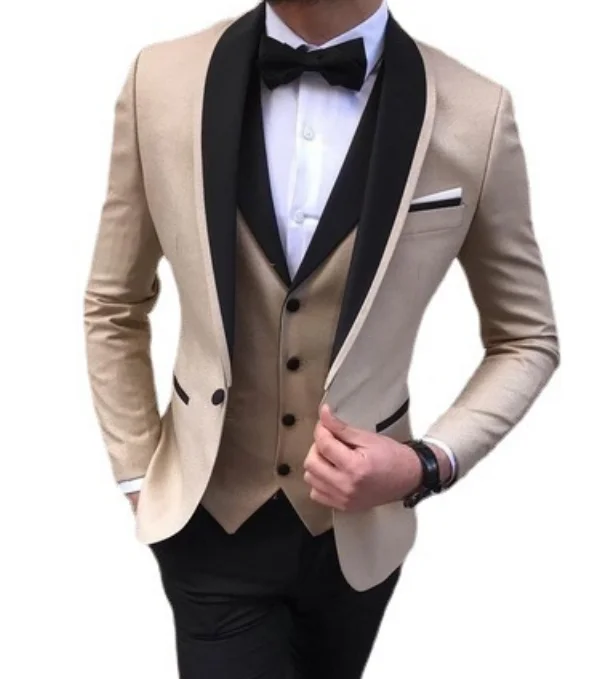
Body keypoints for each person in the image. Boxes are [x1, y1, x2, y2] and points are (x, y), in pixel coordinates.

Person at [83, 0, 560, 676]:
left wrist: (427, 463)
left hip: (360, 540)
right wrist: (139, 472)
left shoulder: (477, 114)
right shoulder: (159, 80)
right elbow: (113, 300)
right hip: (208, 519)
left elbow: (527, 335)